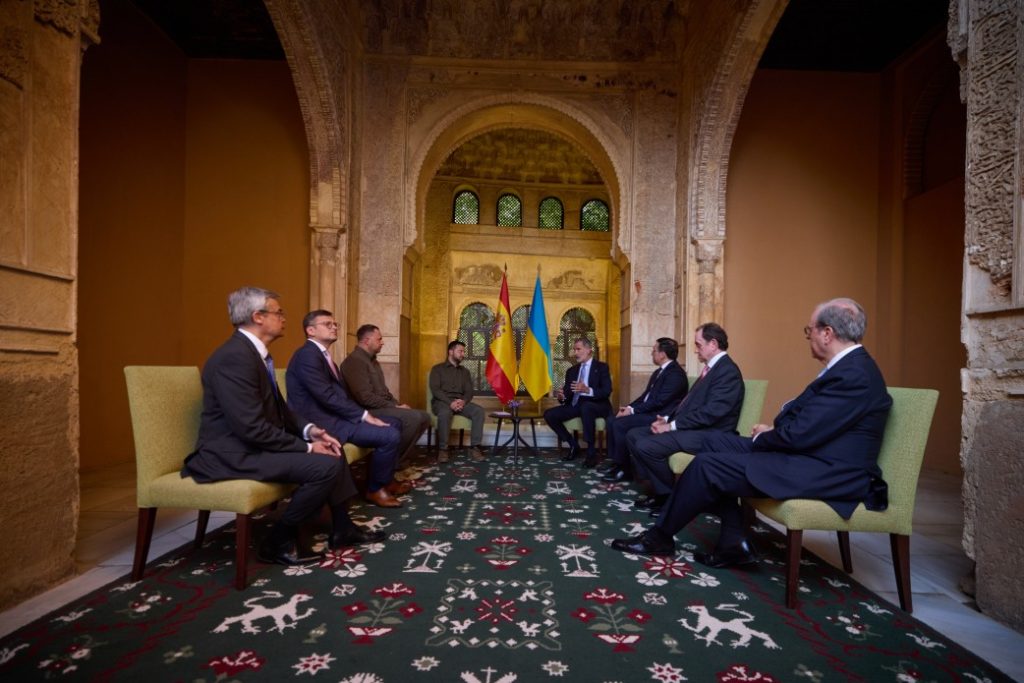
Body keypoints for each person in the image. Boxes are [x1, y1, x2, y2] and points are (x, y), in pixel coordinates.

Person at [611, 298, 892, 568]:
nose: (809, 336)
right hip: (807, 453)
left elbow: (802, 433)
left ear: (827, 333)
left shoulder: (853, 374)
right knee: (714, 443)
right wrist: (772, 431)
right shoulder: (847, 369)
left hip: (827, 469)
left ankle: (661, 538)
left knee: (710, 464)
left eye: (810, 330)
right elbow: (813, 424)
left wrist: (764, 437)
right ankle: (734, 542)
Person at [181, 287, 385, 567]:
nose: (284, 318)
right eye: (279, 312)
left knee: (332, 449)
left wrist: (311, 431)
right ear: (258, 317)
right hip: (231, 452)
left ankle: (343, 528)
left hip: (251, 445)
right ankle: (278, 540)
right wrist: (307, 447)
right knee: (323, 463)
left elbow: (281, 410)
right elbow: (251, 428)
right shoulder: (235, 357)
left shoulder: (253, 354)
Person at [607, 323, 745, 518]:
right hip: (695, 429)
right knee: (634, 434)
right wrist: (666, 419)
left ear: (713, 344)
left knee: (647, 445)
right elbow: (687, 404)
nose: (695, 350)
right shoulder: (711, 369)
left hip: (712, 435)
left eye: (698, 344)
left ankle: (670, 499)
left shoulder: (727, 371)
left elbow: (711, 413)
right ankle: (661, 492)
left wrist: (671, 426)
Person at [286, 310, 410, 509]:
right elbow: (326, 396)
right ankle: (375, 489)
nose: (334, 327)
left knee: (395, 422)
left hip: (336, 417)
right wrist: (363, 415)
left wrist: (363, 415)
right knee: (389, 435)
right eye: (327, 324)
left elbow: (339, 396)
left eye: (335, 324)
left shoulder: (324, 357)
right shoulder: (307, 356)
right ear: (311, 330)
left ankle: (384, 480)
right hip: (322, 423)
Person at [599, 337, 688, 478]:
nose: (651, 353)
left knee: (619, 424)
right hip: (649, 412)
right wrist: (628, 407)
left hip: (659, 417)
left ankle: (625, 470)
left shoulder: (675, 374)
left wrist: (632, 411)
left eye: (654, 351)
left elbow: (659, 402)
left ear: (662, 354)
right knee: (611, 419)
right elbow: (645, 397)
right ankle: (617, 462)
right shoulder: (658, 372)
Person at [340, 324, 431, 460]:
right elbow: (365, 398)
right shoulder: (354, 361)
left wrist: (398, 405)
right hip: (365, 411)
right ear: (366, 340)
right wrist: (395, 407)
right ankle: (391, 461)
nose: (382, 342)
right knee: (413, 418)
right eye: (379, 339)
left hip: (380, 407)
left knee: (424, 416)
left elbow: (385, 393)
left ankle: (397, 458)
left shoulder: (373, 361)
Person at [542, 337, 613, 467]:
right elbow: (568, 395)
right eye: (574, 349)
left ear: (589, 350)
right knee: (549, 414)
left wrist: (587, 390)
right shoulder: (572, 371)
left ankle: (591, 453)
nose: (575, 353)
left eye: (578, 349)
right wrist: (562, 396)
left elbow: (606, 391)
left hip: (598, 405)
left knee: (586, 407)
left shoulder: (602, 367)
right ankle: (573, 445)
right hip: (576, 405)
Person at [429, 340, 487, 463]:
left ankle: (475, 448)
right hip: (441, 402)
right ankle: (443, 450)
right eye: (460, 351)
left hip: (460, 402)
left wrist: (463, 402)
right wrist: (450, 403)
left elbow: (469, 391)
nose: (463, 354)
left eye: (463, 351)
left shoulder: (465, 372)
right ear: (451, 352)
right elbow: (435, 390)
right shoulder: (437, 369)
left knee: (478, 411)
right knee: (445, 413)